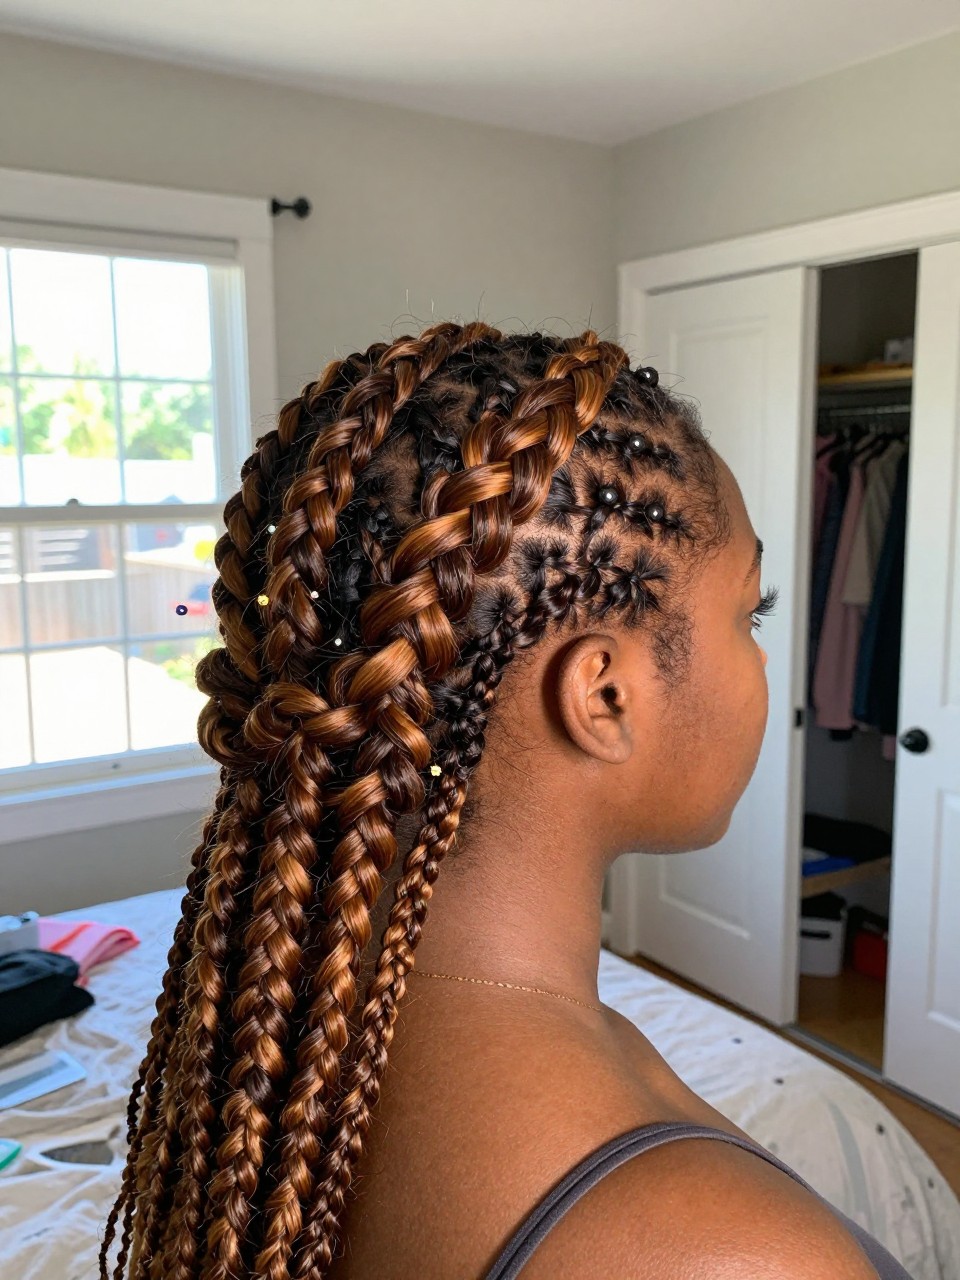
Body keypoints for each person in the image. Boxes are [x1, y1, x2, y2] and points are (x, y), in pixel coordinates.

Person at [101, 322, 908, 1279]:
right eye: (751, 613)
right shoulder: (736, 1258)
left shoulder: (276, 1018)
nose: (764, 658)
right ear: (604, 694)